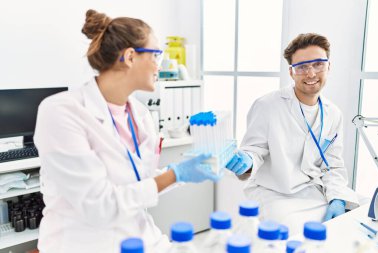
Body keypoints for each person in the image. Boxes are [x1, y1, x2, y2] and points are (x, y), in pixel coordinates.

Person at [34, 9, 220, 253]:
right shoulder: (61, 111)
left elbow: (138, 181)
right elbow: (98, 205)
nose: (159, 66)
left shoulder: (140, 114)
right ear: (130, 57)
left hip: (139, 235)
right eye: (156, 55)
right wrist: (174, 175)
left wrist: (180, 173)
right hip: (83, 243)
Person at [226, 33, 359, 235]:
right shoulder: (267, 105)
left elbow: (333, 164)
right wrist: (246, 161)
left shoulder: (333, 113)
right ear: (291, 72)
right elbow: (254, 151)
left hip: (314, 191)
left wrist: (338, 198)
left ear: (328, 66)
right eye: (302, 67)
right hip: (274, 192)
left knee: (350, 223)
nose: (311, 73)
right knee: (294, 232)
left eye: (318, 64)